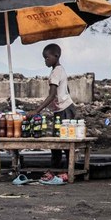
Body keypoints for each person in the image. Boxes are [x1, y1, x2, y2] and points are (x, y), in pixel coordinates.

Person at [32, 43, 78, 171]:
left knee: (61, 141)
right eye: (44, 58)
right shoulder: (60, 70)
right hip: (64, 108)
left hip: (64, 110)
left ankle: (61, 169)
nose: (45, 61)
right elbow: (66, 88)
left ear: (56, 56)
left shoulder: (56, 72)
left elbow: (52, 95)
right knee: (59, 140)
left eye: (47, 58)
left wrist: (36, 111)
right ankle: (64, 168)